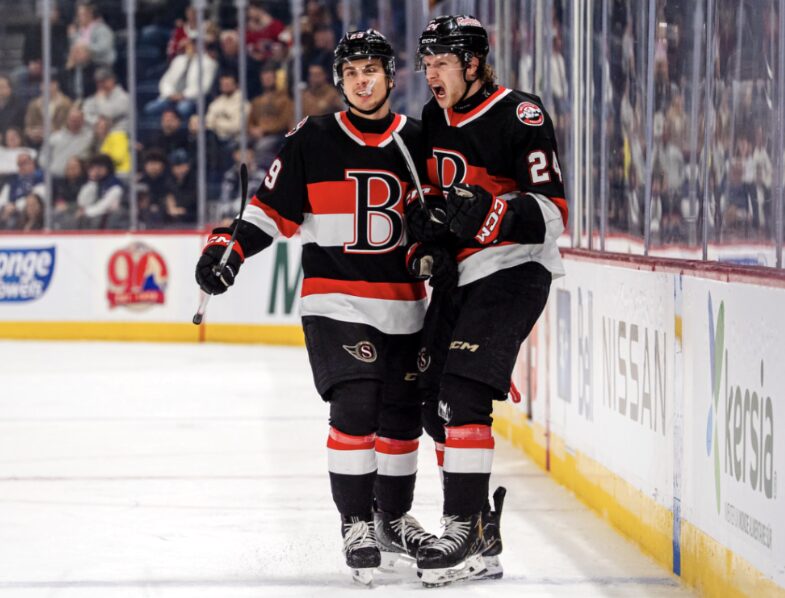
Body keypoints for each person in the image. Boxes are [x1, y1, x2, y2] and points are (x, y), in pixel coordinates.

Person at [194, 30, 436, 584]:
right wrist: (228, 248)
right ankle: (355, 522)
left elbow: (442, 221)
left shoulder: (418, 143)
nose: (362, 80)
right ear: (339, 80)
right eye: (351, 73)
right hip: (335, 299)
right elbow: (268, 211)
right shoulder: (313, 139)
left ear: (390, 77)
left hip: (405, 304)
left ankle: (392, 520)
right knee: (356, 402)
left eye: (371, 70)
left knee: (400, 419)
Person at [406, 15, 568, 587]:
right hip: (464, 277)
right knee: (431, 403)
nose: (432, 75)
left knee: (464, 389)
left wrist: (495, 213)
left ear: (473, 64)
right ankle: (477, 535)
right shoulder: (432, 117)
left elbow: (553, 213)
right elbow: (436, 203)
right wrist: (431, 241)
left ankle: (460, 528)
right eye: (426, 64)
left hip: (516, 269)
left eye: (443, 63)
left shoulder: (520, 114)